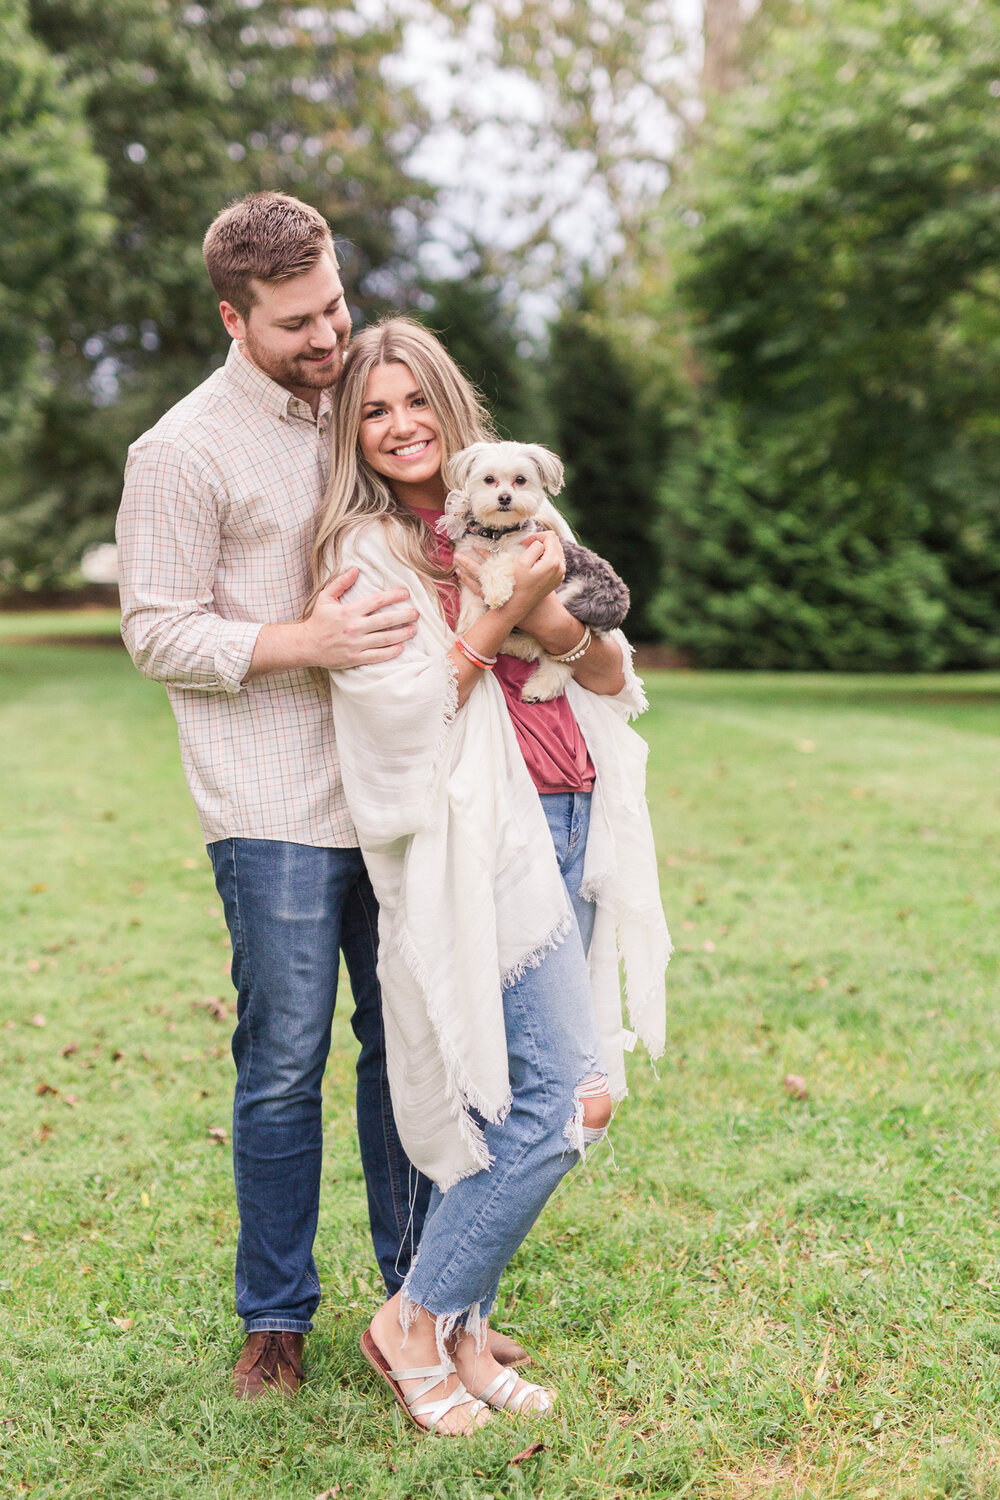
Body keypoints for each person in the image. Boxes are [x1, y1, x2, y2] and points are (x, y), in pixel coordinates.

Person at [314, 318, 671, 1434]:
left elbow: (609, 667)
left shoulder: (530, 519)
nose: (400, 424)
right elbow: (411, 715)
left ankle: (461, 1329)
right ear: (354, 432)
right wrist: (509, 611)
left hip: (569, 807)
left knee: (527, 1098)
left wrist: (544, 616)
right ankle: (411, 1321)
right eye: (374, 409)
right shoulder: (368, 554)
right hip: (486, 843)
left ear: (453, 413)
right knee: (569, 1100)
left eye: (416, 400)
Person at [115, 192, 440, 1400]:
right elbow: (154, 630)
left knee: (406, 1051)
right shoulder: (182, 451)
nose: (328, 335)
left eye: (336, 305)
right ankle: (275, 1323)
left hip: (396, 789)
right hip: (271, 810)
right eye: (297, 321)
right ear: (233, 318)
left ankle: (422, 1305)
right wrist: (306, 640)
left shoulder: (360, 398)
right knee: (283, 1062)